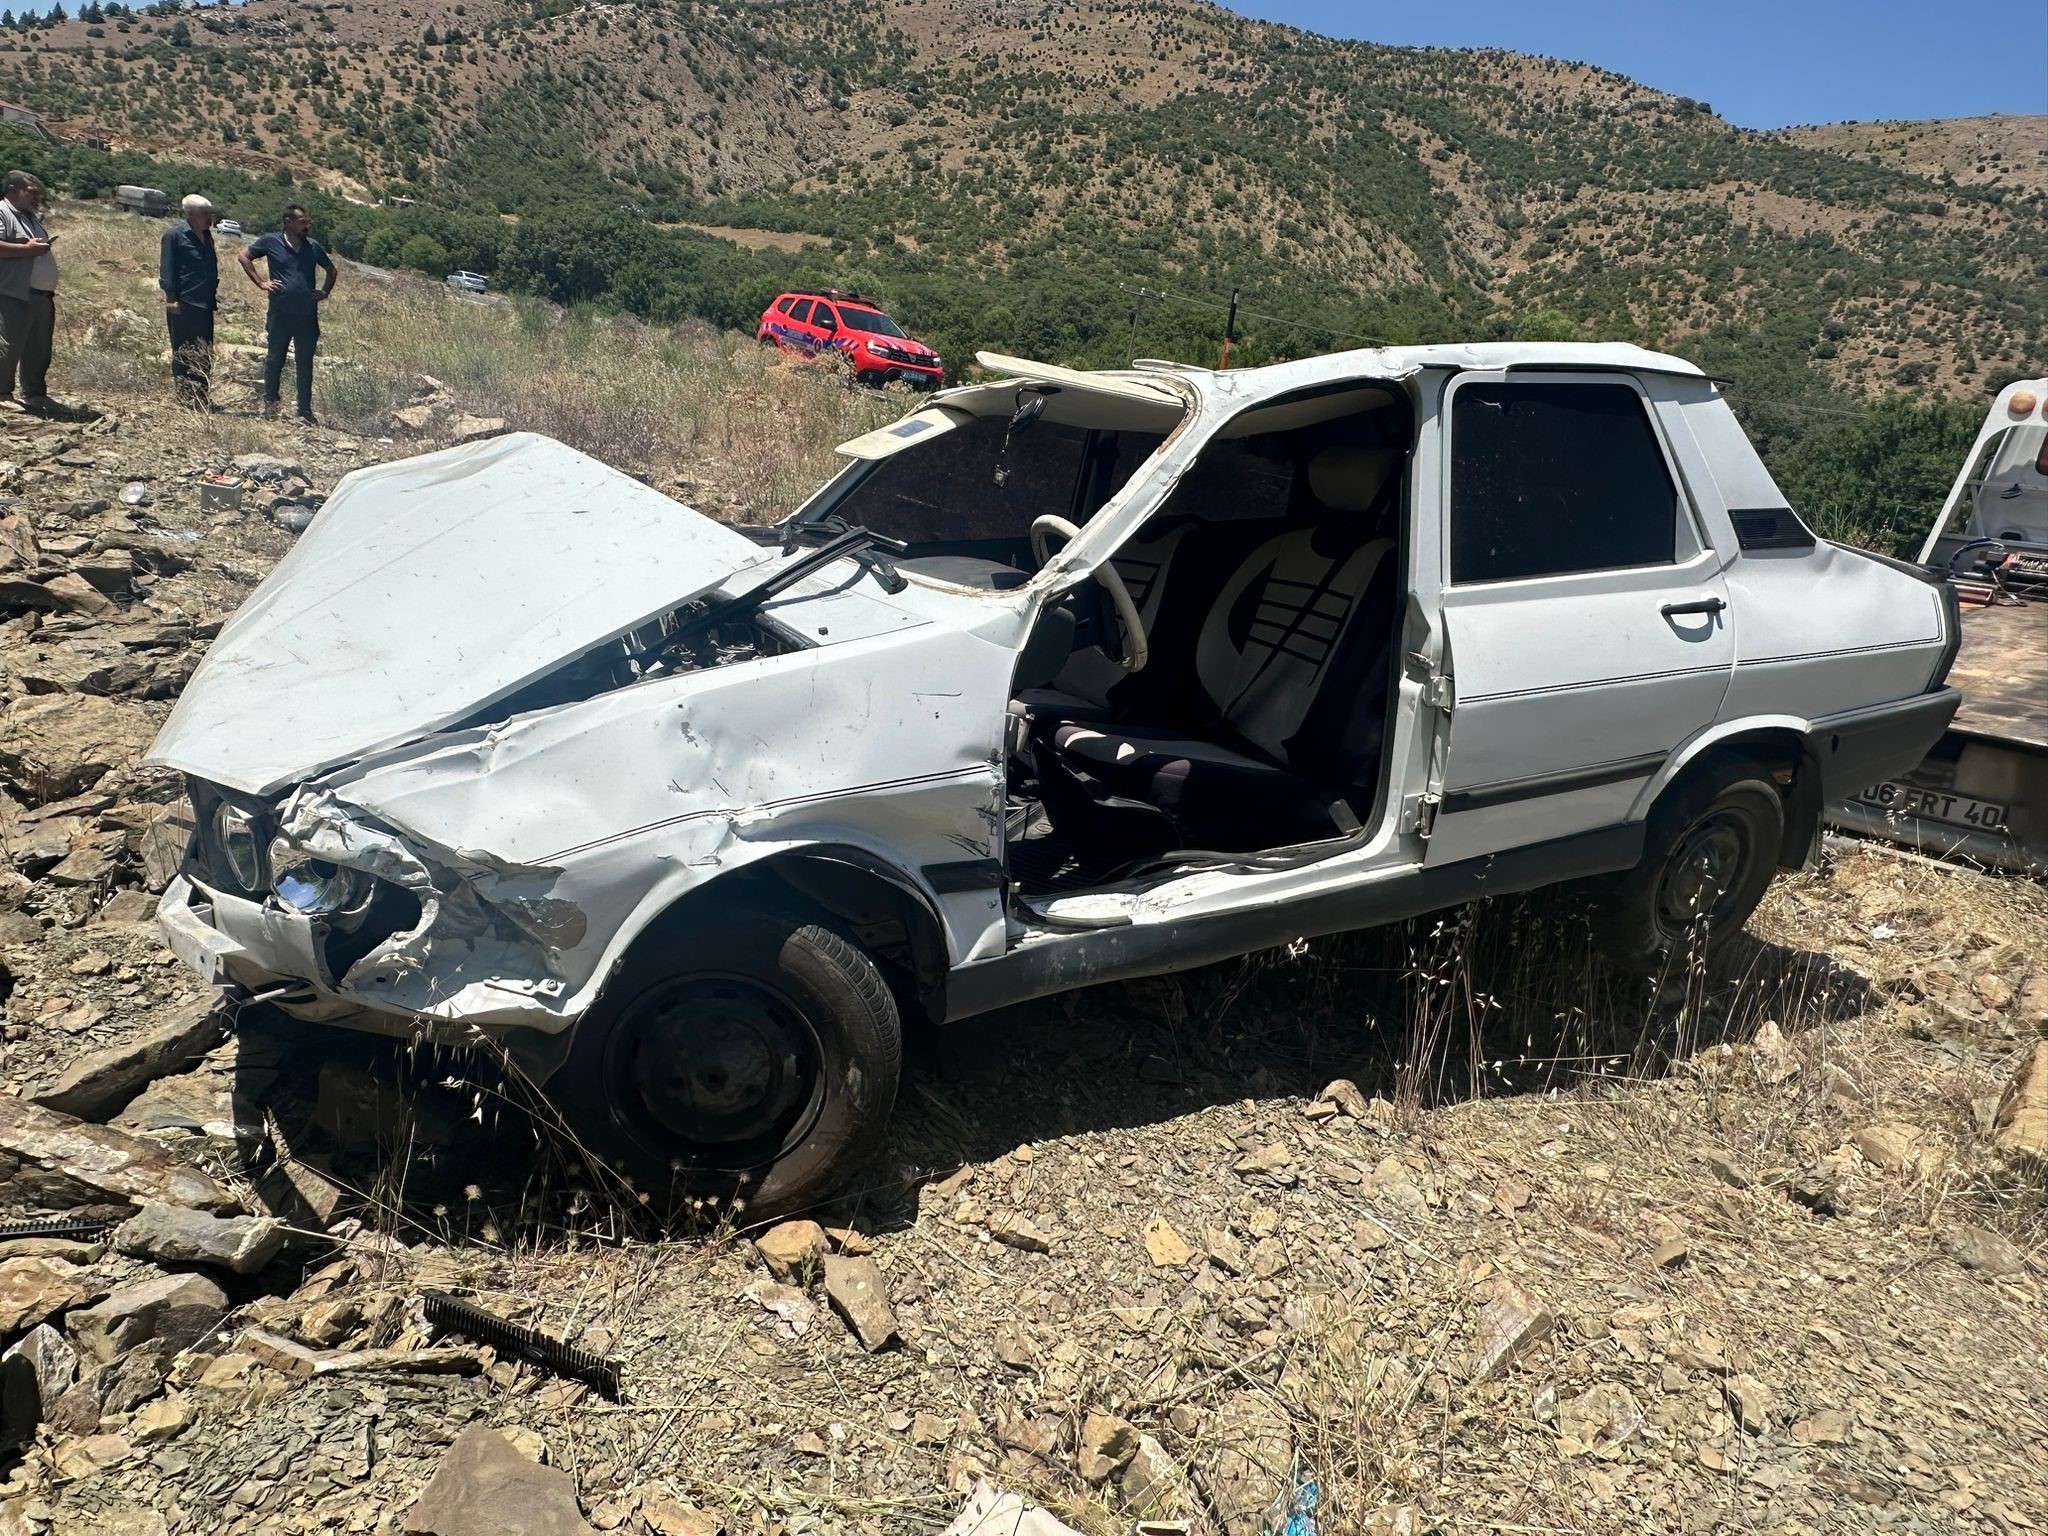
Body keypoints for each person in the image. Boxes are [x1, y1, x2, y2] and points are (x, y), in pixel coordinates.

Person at [240, 204, 335, 424]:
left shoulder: (313, 247)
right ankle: (271, 405)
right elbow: (244, 257)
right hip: (280, 313)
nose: (306, 226)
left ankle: (304, 411)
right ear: (288, 221)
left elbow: (331, 270)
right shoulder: (270, 242)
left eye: (307, 222)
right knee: (274, 360)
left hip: (307, 315)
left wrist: (324, 292)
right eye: (302, 222)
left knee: (305, 363)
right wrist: (261, 282)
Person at [0, 170, 60, 415]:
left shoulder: (31, 216)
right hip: (15, 291)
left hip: (42, 295)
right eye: (31, 192)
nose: (37, 197)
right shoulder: (3, 213)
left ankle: (35, 394)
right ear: (13, 189)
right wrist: (27, 250)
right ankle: (2, 393)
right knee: (8, 345)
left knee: (39, 347)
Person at [159, 193, 219, 410]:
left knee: (204, 351)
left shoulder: (207, 236)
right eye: (206, 214)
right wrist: (171, 298)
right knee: (183, 349)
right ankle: (185, 398)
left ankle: (201, 397)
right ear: (191, 214)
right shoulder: (174, 236)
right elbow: (167, 269)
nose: (210, 218)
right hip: (184, 302)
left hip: (205, 303)